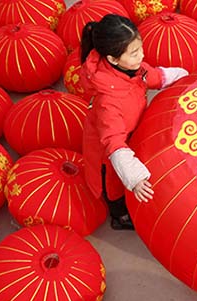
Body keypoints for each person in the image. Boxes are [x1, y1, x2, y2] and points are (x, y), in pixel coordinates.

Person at [80, 14, 188, 230]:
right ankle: (119, 217)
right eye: (134, 53)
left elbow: (153, 76)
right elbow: (114, 144)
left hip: (130, 132)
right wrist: (135, 177)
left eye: (140, 49)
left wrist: (183, 77)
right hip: (109, 155)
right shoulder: (108, 102)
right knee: (114, 189)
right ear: (113, 59)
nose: (142, 56)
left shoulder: (130, 67)